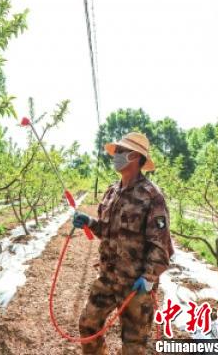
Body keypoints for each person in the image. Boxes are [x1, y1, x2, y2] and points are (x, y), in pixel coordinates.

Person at [74, 132, 174, 355]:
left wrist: (148, 278)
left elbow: (161, 245)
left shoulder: (151, 196)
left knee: (133, 345)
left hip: (135, 286)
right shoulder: (112, 191)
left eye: (122, 151)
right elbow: (109, 232)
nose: (116, 156)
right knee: (88, 325)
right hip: (107, 278)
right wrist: (90, 222)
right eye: (116, 151)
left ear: (137, 157)